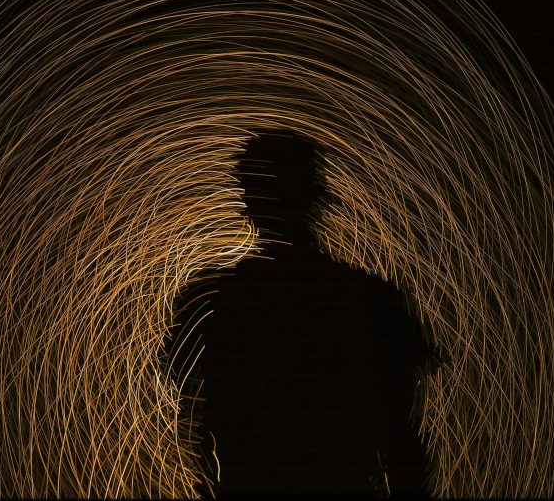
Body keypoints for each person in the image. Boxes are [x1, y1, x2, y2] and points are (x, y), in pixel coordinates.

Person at [179, 130, 434, 496]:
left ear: (247, 198)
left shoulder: (215, 299)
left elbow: (196, 424)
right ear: (317, 196)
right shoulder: (368, 298)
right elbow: (401, 435)